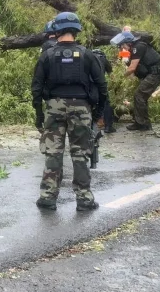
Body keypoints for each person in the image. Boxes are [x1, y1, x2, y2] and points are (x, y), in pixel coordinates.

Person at [31, 12, 108, 212]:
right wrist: (98, 113)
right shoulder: (87, 54)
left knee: (53, 153)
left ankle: (48, 197)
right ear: (76, 30)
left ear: (56, 30)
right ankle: (85, 199)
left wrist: (39, 114)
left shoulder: (47, 55)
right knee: (81, 154)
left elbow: (37, 87)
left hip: (54, 107)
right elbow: (102, 86)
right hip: (82, 108)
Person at [112, 31, 160, 131]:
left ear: (128, 43)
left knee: (139, 95)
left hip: (156, 73)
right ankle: (144, 123)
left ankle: (141, 124)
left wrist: (120, 77)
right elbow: (126, 60)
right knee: (142, 96)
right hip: (150, 74)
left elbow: (132, 68)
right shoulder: (133, 49)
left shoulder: (138, 47)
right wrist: (121, 52)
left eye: (122, 45)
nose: (122, 48)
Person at [89, 44, 116, 133]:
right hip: (100, 83)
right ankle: (108, 126)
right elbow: (112, 76)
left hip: (88, 84)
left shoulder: (86, 58)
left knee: (88, 104)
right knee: (106, 103)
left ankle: (89, 126)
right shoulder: (103, 59)